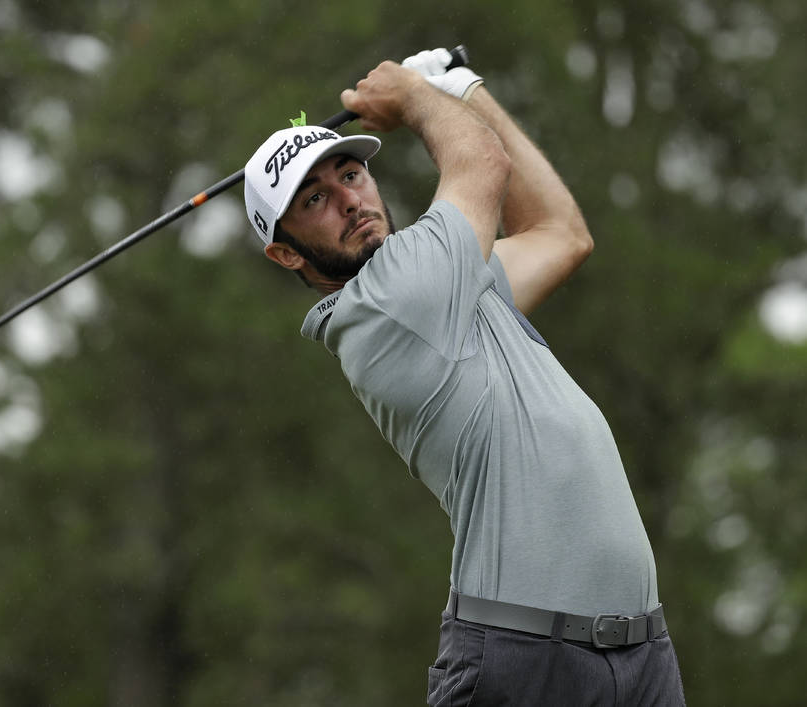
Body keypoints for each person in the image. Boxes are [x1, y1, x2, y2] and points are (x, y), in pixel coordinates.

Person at [242, 48, 686, 706]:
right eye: (315, 198)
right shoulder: (389, 302)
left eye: (350, 174)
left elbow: (559, 233)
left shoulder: (448, 284)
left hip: (640, 652)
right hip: (525, 658)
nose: (349, 200)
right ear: (285, 251)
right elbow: (482, 164)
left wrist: (463, 89)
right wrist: (417, 98)